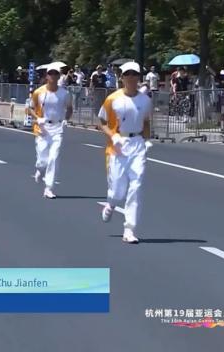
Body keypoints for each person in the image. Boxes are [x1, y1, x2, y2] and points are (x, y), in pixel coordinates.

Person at [98, 61, 152, 244]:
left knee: (136, 187)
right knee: (117, 192)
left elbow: (145, 122)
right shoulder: (113, 99)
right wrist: (113, 136)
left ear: (138, 77)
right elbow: (101, 121)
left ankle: (129, 229)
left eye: (134, 74)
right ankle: (111, 203)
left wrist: (147, 140)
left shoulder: (145, 100)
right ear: (122, 77)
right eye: (127, 74)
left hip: (137, 144)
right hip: (118, 146)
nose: (131, 78)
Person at [26, 62, 74, 199]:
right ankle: (40, 171)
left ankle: (49, 188)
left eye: (56, 74)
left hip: (58, 128)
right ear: (47, 75)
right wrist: (38, 118)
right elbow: (29, 108)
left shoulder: (64, 93)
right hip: (42, 128)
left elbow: (70, 108)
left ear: (59, 76)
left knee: (54, 157)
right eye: (51, 73)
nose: (53, 76)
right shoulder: (39, 92)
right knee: (43, 161)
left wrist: (66, 119)